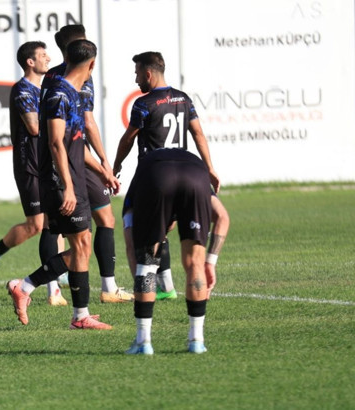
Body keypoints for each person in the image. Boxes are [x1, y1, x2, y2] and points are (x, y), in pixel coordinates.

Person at [6, 39, 118, 329]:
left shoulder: (74, 93)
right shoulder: (58, 94)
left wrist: (103, 170)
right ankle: (38, 293)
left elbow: (75, 144)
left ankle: (55, 302)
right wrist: (67, 185)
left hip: (73, 177)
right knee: (81, 243)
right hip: (59, 180)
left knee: (82, 244)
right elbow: (56, 143)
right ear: (91, 65)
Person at [111, 51, 226, 301]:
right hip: (186, 174)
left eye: (137, 73)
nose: (136, 79)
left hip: (155, 178)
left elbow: (128, 138)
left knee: (137, 232)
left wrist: (116, 165)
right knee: (163, 231)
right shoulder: (183, 99)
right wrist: (210, 168)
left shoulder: (144, 103)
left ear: (149, 73)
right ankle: (168, 288)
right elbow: (198, 134)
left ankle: (150, 288)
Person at [42, 24, 133, 304]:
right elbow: (71, 132)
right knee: (70, 228)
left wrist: (103, 163)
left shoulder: (66, 78)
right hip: (70, 162)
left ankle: (88, 289)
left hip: (72, 159)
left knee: (85, 223)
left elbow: (79, 126)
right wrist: (101, 164)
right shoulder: (65, 80)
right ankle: (53, 288)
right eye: (82, 43)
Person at [0, 41, 70, 304]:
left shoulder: (47, 88)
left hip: (49, 163)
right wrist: (56, 121)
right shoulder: (23, 89)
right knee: (36, 225)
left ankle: (55, 281)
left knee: (56, 222)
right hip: (29, 165)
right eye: (42, 55)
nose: (48, 58)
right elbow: (33, 127)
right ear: (30, 62)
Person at [122, 148, 215, 355]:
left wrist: (141, 277)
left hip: (157, 176)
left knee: (147, 262)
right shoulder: (195, 172)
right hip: (196, 174)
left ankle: (143, 342)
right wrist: (211, 262)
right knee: (195, 264)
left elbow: (130, 242)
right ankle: (196, 341)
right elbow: (223, 218)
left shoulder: (139, 184)